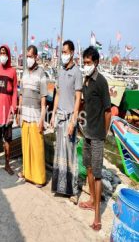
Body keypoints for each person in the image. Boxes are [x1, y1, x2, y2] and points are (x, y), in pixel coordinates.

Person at [79, 46, 111, 231]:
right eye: (84, 62)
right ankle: (92, 199)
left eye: (89, 63)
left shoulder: (101, 82)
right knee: (89, 168)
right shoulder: (87, 81)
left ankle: (97, 215)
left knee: (97, 174)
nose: (86, 65)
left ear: (96, 62)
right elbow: (86, 103)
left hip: (98, 135)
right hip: (87, 133)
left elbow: (108, 112)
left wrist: (104, 133)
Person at [50, 40, 82, 203]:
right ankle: (60, 186)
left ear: (72, 53)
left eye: (65, 52)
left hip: (70, 118)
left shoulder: (77, 72)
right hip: (60, 118)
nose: (63, 55)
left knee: (70, 154)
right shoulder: (60, 71)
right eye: (62, 52)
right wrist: (53, 114)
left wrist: (73, 121)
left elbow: (78, 99)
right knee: (59, 153)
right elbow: (57, 93)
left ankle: (73, 190)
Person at [17, 45, 47, 188]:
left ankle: (39, 178)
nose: (28, 59)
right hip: (25, 115)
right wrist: (18, 113)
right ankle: (27, 174)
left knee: (37, 147)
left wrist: (42, 119)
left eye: (30, 56)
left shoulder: (41, 73)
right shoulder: (23, 73)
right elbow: (21, 94)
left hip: (35, 116)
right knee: (26, 146)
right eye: (27, 56)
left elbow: (43, 99)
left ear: (36, 57)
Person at [0, 45, 18, 176]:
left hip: (8, 113)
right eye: (1, 53)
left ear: (8, 54)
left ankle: (7, 165)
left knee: (7, 141)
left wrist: (13, 110)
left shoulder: (13, 71)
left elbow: (14, 93)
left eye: (4, 53)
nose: (2, 55)